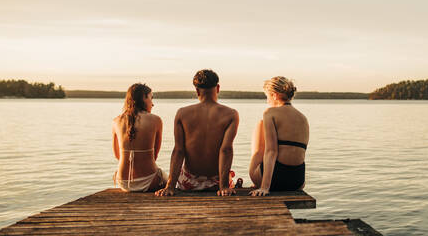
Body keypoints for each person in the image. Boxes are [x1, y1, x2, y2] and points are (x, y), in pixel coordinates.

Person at [155, 69, 239, 197]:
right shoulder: (231, 114)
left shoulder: (182, 113)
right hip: (216, 183)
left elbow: (179, 150)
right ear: (217, 88)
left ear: (197, 91)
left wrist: (170, 186)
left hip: (189, 182)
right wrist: (224, 186)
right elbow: (226, 150)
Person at [249, 77, 309, 196]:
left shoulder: (270, 113)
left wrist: (265, 187)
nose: (267, 101)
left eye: (267, 96)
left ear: (274, 95)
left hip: (276, 179)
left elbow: (271, 151)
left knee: (260, 125)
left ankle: (262, 182)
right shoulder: (303, 118)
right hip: (297, 181)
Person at [112, 83, 167, 192]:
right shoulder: (156, 120)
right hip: (150, 180)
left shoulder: (116, 121)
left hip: (123, 181)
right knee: (170, 181)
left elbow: (117, 155)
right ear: (144, 97)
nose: (153, 104)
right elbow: (154, 156)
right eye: (151, 98)